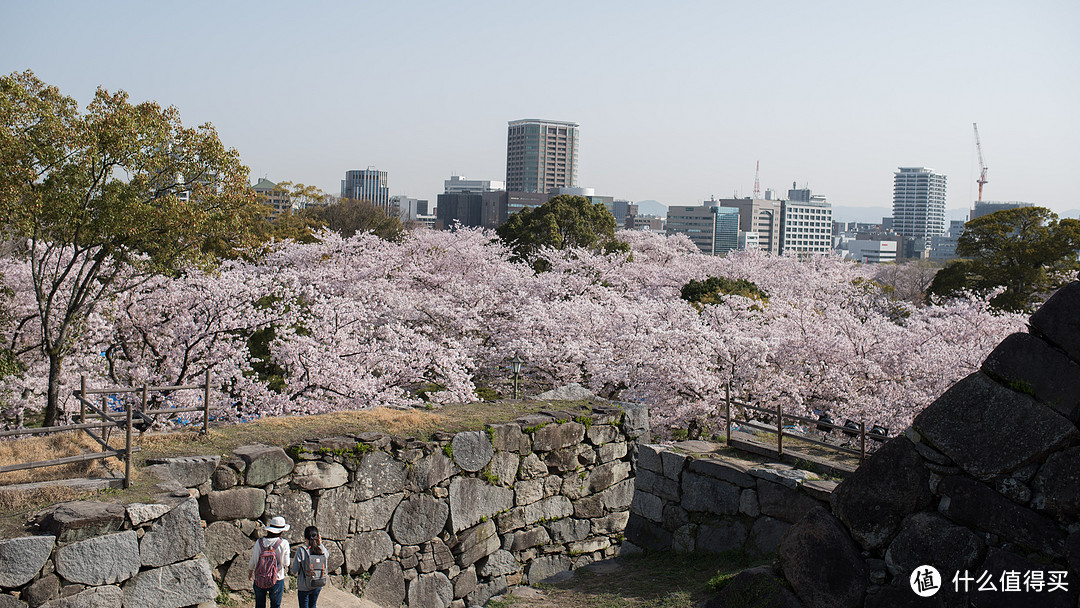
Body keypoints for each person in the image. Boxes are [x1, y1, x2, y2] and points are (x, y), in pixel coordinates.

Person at [249, 516, 291, 608]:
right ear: (282, 531)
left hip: (260, 577)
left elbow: (254, 559)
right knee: (275, 605)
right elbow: (286, 563)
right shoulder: (283, 543)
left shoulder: (259, 542)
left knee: (259, 605)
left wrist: (250, 572)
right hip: (277, 578)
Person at [290, 526, 326, 608]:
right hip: (318, 583)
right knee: (313, 605)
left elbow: (294, 570)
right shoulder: (321, 550)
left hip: (304, 586)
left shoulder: (302, 550)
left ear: (305, 538)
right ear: (318, 537)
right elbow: (326, 557)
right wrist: (320, 544)